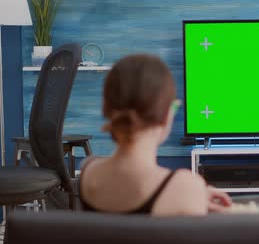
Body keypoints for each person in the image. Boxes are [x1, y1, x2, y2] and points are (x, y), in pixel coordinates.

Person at [79, 54, 232, 215]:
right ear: (167, 115)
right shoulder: (186, 188)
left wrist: (191, 193)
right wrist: (192, 194)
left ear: (107, 108)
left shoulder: (88, 173)